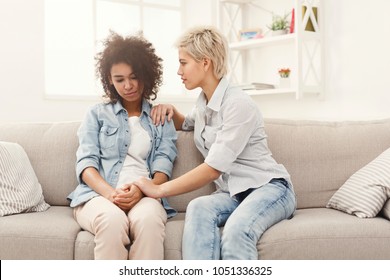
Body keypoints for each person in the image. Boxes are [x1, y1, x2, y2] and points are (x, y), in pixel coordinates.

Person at [134, 26, 296, 260]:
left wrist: (159, 189)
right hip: (233, 192)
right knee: (198, 207)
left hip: (269, 189)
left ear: (205, 63)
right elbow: (186, 123)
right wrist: (171, 111)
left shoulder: (238, 104)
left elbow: (212, 169)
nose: (179, 71)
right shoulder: (204, 103)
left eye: (183, 63)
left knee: (236, 230)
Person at [67, 32, 177, 260]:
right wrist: (111, 194)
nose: (128, 85)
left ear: (146, 75)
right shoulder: (96, 115)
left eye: (134, 77)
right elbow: (86, 165)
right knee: (112, 221)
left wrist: (142, 190)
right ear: (109, 79)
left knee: (149, 222)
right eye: (119, 79)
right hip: (98, 196)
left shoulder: (160, 117)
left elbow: (162, 168)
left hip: (145, 196)